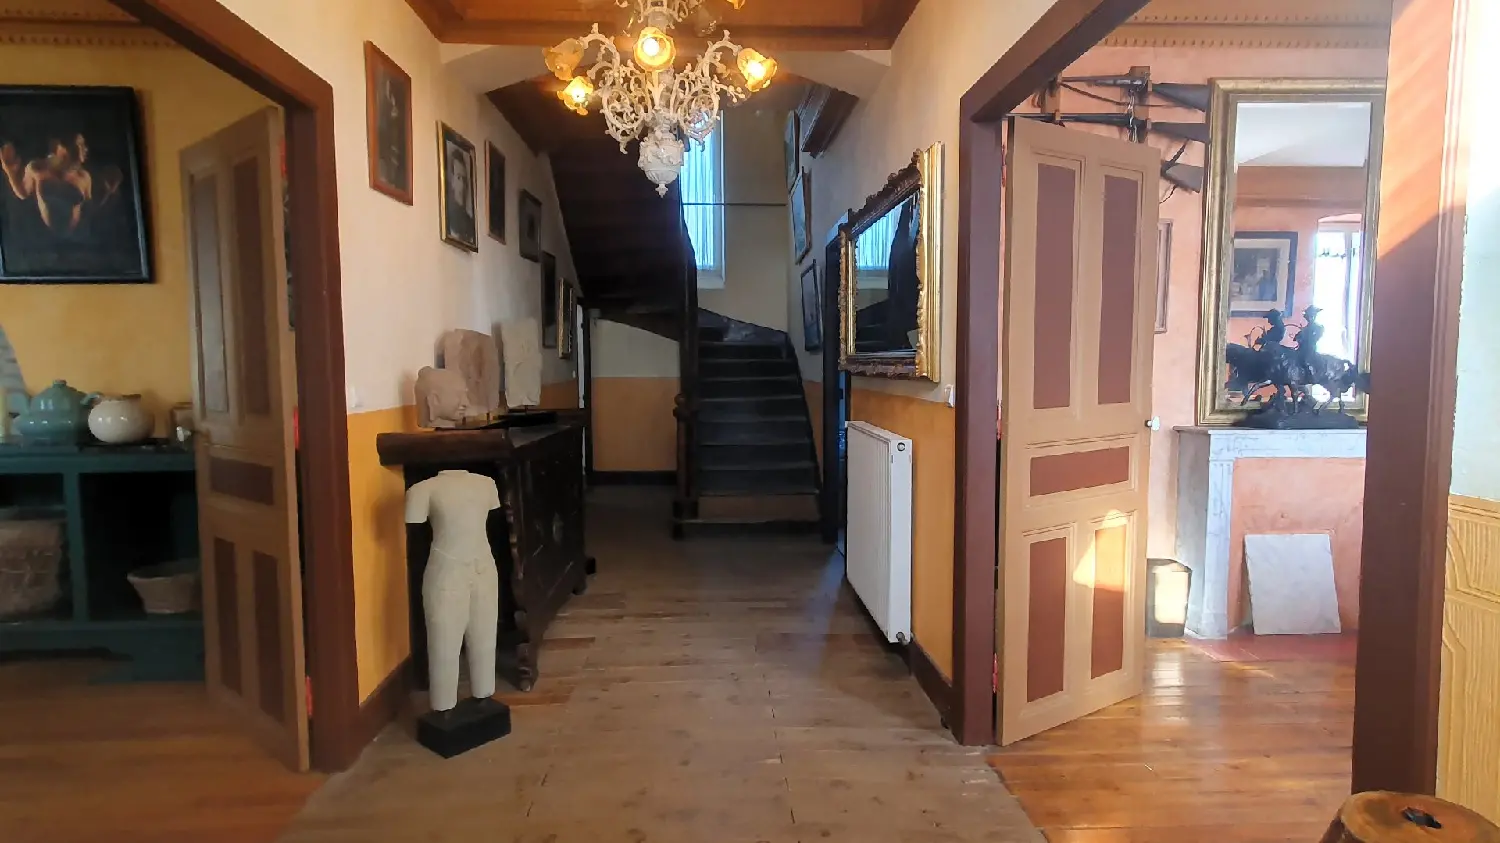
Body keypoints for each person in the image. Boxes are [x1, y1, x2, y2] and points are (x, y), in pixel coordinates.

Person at [1, 133, 121, 236]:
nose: (85, 149)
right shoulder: (37, 168)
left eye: (84, 145)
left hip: (76, 238)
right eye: (80, 144)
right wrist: (9, 171)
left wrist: (107, 191)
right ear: (60, 147)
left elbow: (89, 208)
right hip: (42, 236)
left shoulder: (84, 177)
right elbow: (23, 193)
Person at [445, 144, 475, 244]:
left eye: (464, 179)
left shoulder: (470, 224)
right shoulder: (447, 220)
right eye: (458, 178)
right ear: (451, 181)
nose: (462, 186)